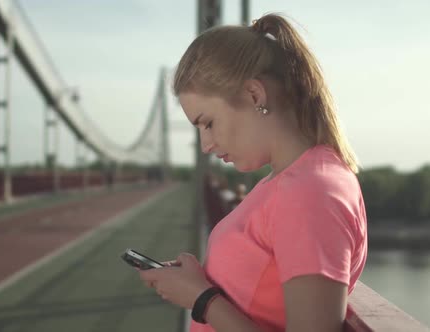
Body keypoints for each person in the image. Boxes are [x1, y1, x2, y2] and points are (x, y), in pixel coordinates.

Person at [138, 13, 368, 332]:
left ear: (254, 95)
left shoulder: (311, 191)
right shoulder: (287, 182)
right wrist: (198, 281)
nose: (205, 145)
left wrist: (202, 299)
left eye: (208, 123)